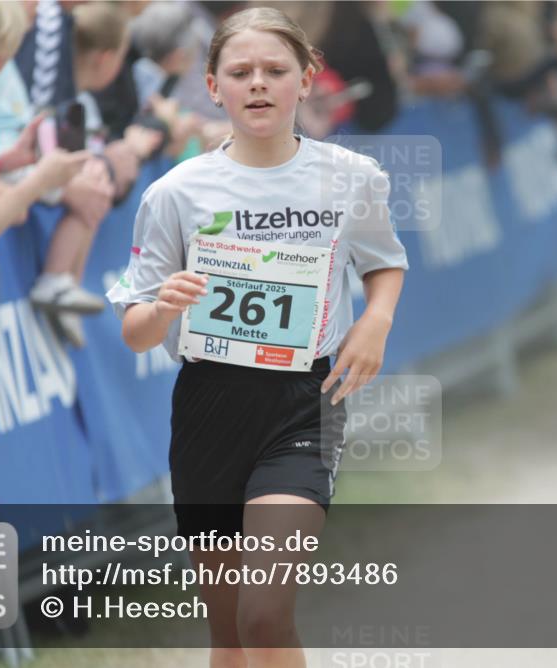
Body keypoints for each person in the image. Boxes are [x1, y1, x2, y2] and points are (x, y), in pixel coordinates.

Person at [108, 7, 407, 667]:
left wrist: (375, 321)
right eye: (240, 72)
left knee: (265, 613)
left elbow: (384, 261)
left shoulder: (349, 177)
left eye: (276, 70)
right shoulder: (175, 192)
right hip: (208, 405)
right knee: (231, 633)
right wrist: (163, 305)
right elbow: (134, 331)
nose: (259, 84)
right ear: (212, 86)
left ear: (308, 79)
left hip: (304, 403)